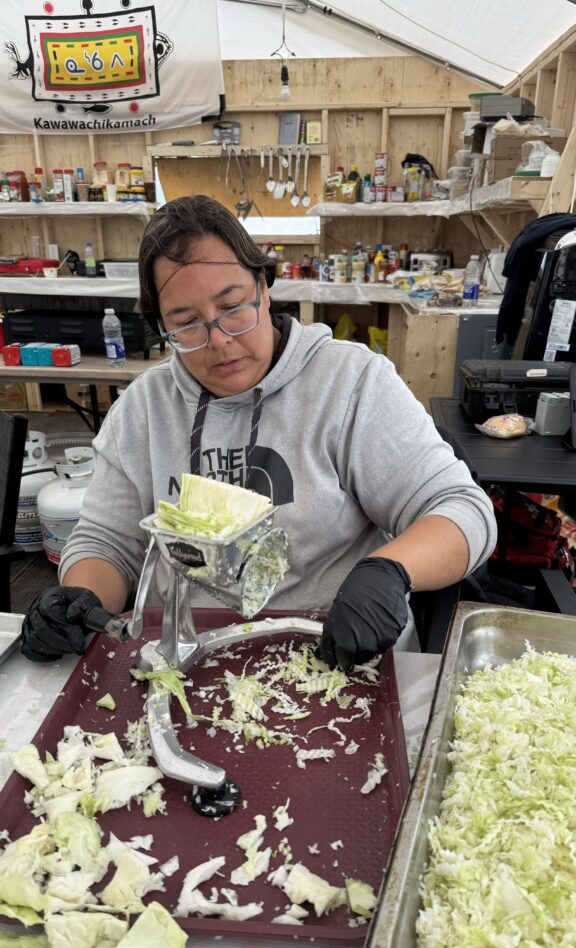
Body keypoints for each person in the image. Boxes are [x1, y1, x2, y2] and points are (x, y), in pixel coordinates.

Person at [21, 195, 497, 669]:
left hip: (333, 656)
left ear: (264, 288)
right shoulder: (143, 408)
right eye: (186, 325)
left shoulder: (350, 382)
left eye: (233, 307)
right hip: (184, 660)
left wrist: (392, 570)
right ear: (160, 329)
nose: (221, 341)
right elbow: (106, 542)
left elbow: (463, 509)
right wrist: (79, 597)